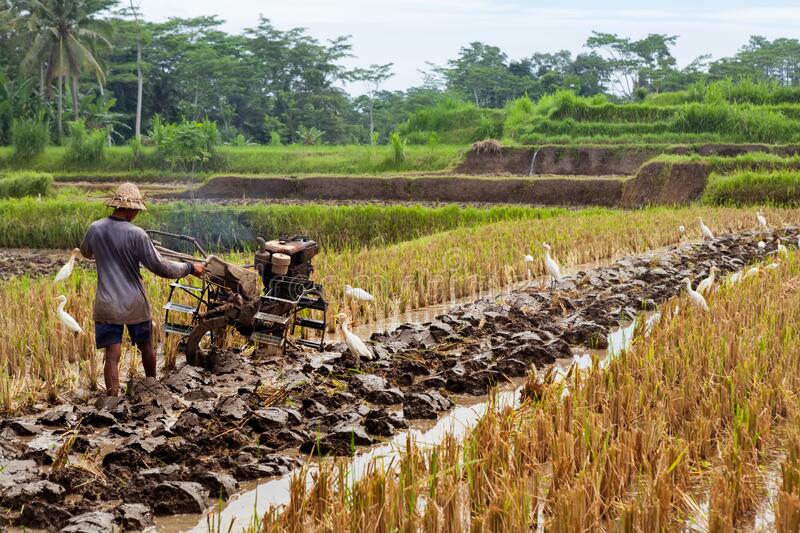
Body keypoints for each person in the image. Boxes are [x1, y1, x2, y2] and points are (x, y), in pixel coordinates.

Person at [80, 183, 204, 396]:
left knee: (112, 354)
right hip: (134, 303)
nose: (137, 214)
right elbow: (161, 266)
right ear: (130, 209)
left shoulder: (95, 228)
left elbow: (85, 253)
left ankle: (112, 401)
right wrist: (190, 267)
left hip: (107, 303)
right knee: (146, 345)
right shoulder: (137, 235)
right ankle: (152, 389)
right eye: (136, 210)